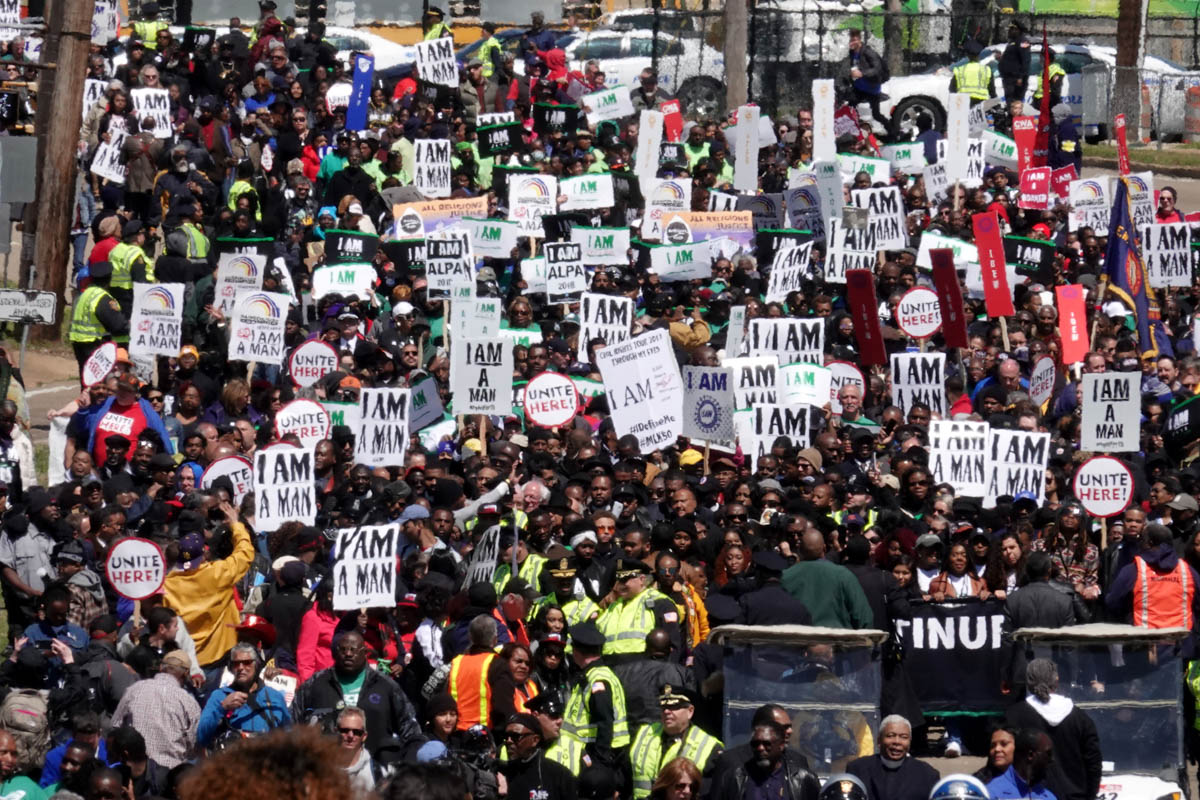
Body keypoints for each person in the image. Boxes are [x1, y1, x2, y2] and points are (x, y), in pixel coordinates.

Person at [291, 630, 427, 763]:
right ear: (336, 652)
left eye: (353, 649)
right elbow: (291, 722)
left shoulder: (385, 686)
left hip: (375, 773)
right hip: (326, 771)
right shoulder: (316, 683)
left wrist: (407, 764)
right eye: (343, 650)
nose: (348, 654)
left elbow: (411, 730)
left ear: (364, 653)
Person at [163, 501, 255, 670]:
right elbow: (245, 552)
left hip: (186, 659)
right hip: (220, 657)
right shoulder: (218, 573)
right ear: (204, 554)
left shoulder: (166, 586)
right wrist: (236, 525)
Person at [110, 650, 202, 768]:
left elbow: (115, 726)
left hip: (135, 768)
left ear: (160, 667)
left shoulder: (134, 689)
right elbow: (193, 744)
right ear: (186, 673)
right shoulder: (188, 701)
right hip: (171, 771)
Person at [628, 685, 722, 799]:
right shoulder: (644, 733)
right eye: (664, 707)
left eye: (674, 707)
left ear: (690, 711)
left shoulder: (709, 746)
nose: (667, 711)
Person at [562, 621, 630, 772]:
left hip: (601, 754)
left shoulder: (597, 680)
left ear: (576, 651)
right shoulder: (594, 674)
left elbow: (604, 722)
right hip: (597, 752)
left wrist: (600, 763)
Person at [197, 642, 291, 747]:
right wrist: (222, 708)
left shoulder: (275, 697)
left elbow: (289, 736)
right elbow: (201, 737)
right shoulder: (219, 696)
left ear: (257, 665)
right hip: (232, 760)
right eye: (236, 663)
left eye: (247, 663)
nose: (241, 667)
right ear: (231, 668)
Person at [780, 530, 873, 629]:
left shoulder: (786, 576)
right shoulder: (843, 575)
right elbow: (863, 616)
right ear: (824, 548)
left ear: (800, 550)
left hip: (798, 640)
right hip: (836, 640)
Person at [596, 558, 682, 664]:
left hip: (643, 670)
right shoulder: (613, 605)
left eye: (625, 580)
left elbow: (672, 645)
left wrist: (666, 675)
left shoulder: (660, 603)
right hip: (611, 670)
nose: (620, 585)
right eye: (618, 580)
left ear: (642, 579)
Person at [713, 720, 820, 800]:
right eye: (756, 744)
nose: (760, 748)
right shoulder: (734, 778)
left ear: (781, 745)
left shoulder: (804, 778)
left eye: (767, 744)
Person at [845, 715, 939, 800]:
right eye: (890, 736)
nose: (897, 741)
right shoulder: (857, 770)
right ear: (879, 740)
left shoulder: (927, 775)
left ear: (910, 742)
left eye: (904, 737)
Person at [500, 712, 578, 800]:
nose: (509, 741)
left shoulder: (559, 775)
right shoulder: (501, 773)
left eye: (516, 736)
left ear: (535, 740)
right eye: (506, 736)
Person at [67, 260, 128, 369]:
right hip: (94, 344)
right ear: (109, 279)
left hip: (78, 342)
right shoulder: (103, 298)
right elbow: (117, 324)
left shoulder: (85, 294)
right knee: (99, 380)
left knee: (87, 377)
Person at [987, 728, 1057, 800]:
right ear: (1031, 755)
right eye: (1048, 754)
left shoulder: (1048, 796)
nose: (1052, 759)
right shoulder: (992, 793)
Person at [838, 30, 888, 128]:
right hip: (859, 88)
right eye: (850, 41)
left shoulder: (868, 52)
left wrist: (862, 73)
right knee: (850, 107)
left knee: (876, 115)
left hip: (871, 89)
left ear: (859, 40)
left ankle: (893, 132)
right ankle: (856, 129)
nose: (851, 43)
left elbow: (877, 68)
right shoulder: (852, 53)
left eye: (854, 40)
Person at [950, 39, 994, 104]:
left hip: (963, 104)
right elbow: (992, 92)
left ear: (968, 56)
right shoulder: (987, 70)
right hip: (981, 105)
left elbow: (952, 89)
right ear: (979, 55)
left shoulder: (959, 70)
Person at [998, 19, 1031, 102]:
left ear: (1017, 30)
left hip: (1016, 80)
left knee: (1014, 104)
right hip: (1009, 79)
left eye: (1011, 29)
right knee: (1010, 104)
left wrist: (1020, 77)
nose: (1009, 31)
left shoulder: (1022, 41)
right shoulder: (1012, 42)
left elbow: (1025, 60)